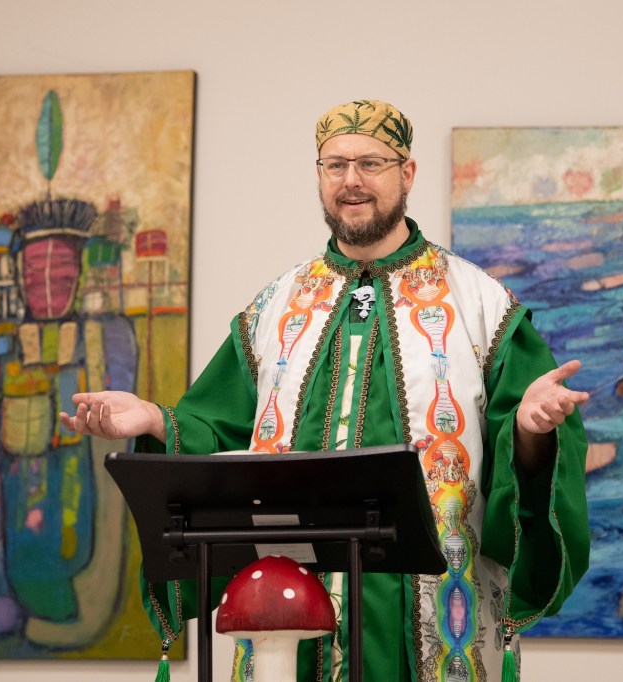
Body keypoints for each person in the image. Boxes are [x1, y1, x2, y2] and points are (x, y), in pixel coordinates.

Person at [59, 99, 590, 682]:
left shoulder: (481, 305)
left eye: (370, 163)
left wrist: (530, 430)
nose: (352, 181)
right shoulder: (275, 307)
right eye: (335, 165)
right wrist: (156, 423)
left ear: (406, 174)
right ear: (319, 175)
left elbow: (528, 464)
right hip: (287, 625)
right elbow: (223, 437)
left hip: (437, 631)